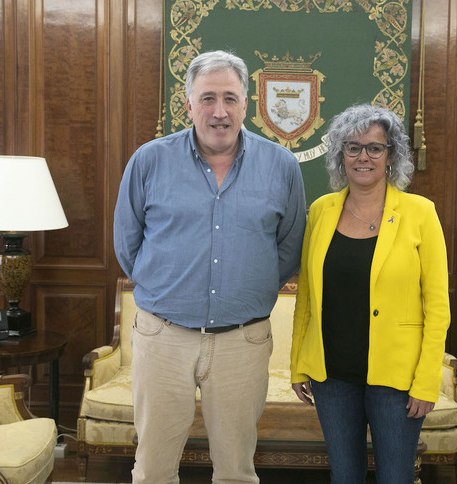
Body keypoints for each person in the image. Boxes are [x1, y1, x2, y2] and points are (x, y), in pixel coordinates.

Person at [114, 50, 306, 484]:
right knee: (152, 470)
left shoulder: (282, 166)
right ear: (188, 104)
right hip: (162, 337)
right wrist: (168, 290)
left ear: (246, 104)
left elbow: (288, 247)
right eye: (207, 99)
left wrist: (247, 288)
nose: (219, 112)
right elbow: (128, 244)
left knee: (237, 471)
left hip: (244, 341)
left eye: (230, 98)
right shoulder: (149, 160)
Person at [289, 104, 450, 483]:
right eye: (353, 147)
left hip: (397, 381)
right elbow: (307, 299)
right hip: (332, 378)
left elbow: (438, 307)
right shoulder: (321, 211)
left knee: (396, 477)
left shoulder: (420, 213)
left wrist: (427, 381)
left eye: (375, 148)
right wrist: (299, 362)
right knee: (345, 478)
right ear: (340, 155)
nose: (363, 157)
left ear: (391, 155)